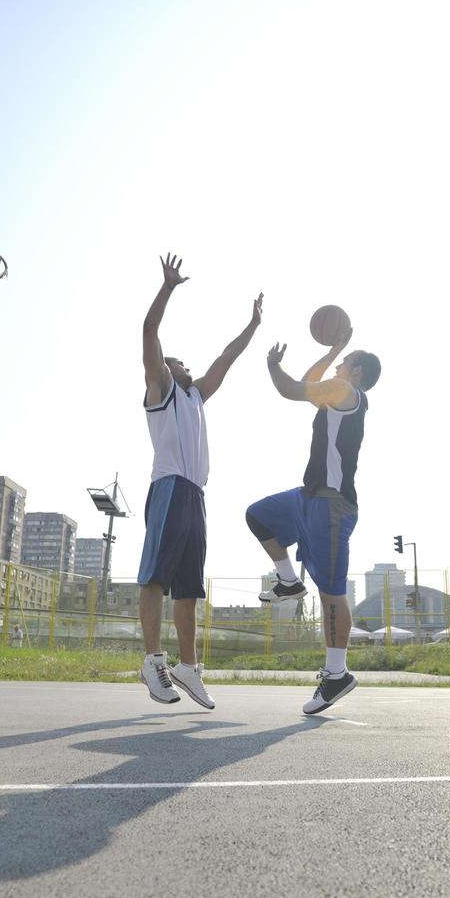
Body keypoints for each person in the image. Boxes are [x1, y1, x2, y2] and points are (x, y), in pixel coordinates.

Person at [138, 252, 262, 709]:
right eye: (177, 361)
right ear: (164, 369)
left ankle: (187, 666)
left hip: (195, 496)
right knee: (154, 577)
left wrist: (252, 326)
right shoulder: (160, 389)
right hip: (169, 488)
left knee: (189, 588)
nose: (184, 364)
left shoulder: (194, 396)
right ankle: (153, 661)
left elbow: (225, 360)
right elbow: (150, 333)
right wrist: (168, 287)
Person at [246, 332, 381, 715]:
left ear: (355, 372)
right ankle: (288, 580)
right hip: (307, 497)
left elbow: (294, 388)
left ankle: (337, 673)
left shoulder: (343, 391)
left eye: (342, 363)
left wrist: (273, 366)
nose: (337, 367)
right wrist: (334, 349)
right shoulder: (336, 394)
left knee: (331, 593)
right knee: (258, 514)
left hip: (331, 506)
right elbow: (309, 383)